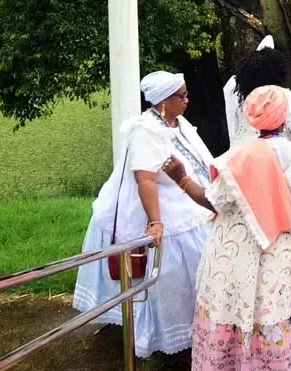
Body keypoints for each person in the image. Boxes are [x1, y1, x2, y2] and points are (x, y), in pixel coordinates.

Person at [163, 86, 291, 370]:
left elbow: (212, 202)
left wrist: (182, 179)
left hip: (240, 255)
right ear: (285, 116)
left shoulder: (234, 160)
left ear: (250, 117)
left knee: (248, 309)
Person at [72, 71, 215, 358]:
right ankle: (159, 336)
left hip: (189, 202)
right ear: (164, 100)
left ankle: (197, 327)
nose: (187, 100)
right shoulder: (145, 130)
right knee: (165, 274)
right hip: (162, 208)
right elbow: (145, 179)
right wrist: (156, 221)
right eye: (182, 96)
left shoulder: (178, 123)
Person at [223, 35, 291, 151]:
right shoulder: (280, 95)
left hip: (241, 153)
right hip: (277, 155)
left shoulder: (233, 89)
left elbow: (232, 124)